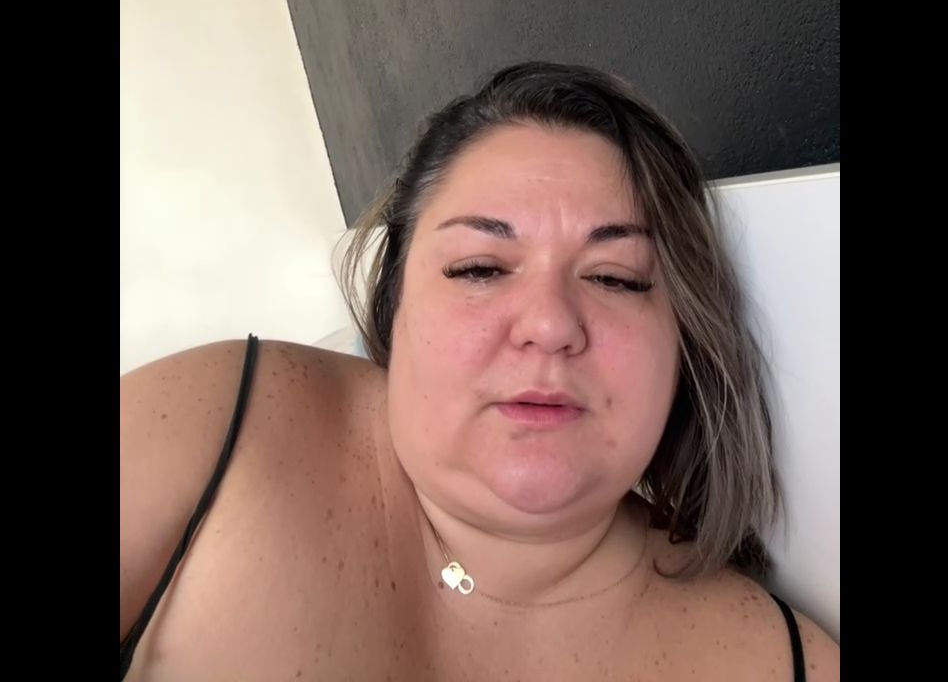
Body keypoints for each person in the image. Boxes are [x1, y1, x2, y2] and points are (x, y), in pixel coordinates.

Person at [120, 61, 840, 680]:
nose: (550, 324)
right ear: (393, 305)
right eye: (480, 268)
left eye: (615, 277)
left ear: (684, 340)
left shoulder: (784, 665)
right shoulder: (218, 427)